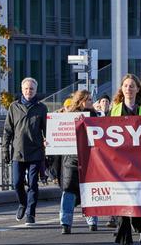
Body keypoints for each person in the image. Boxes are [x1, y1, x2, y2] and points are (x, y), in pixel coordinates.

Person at [110, 74, 141, 245]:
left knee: (136, 200)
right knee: (122, 200)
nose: (128, 89)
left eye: (132, 86)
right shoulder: (114, 110)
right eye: (126, 86)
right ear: (122, 88)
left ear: (137, 89)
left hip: (140, 163)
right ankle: (125, 240)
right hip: (119, 163)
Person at [2, 77, 48, 225]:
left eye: (32, 89)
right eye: (26, 89)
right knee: (17, 183)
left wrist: (49, 142)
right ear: (22, 90)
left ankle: (30, 213)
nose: (29, 91)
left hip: (36, 151)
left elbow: (48, 130)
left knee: (33, 184)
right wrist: (5, 150)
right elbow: (7, 131)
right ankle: (22, 203)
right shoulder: (13, 107)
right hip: (18, 151)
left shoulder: (41, 108)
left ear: (36, 90)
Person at [60, 90, 99, 234]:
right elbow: (59, 133)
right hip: (72, 157)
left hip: (89, 157)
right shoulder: (69, 115)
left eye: (91, 99)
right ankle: (65, 222)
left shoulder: (94, 115)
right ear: (81, 100)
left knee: (89, 189)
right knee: (68, 189)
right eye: (88, 99)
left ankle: (92, 220)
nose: (90, 102)